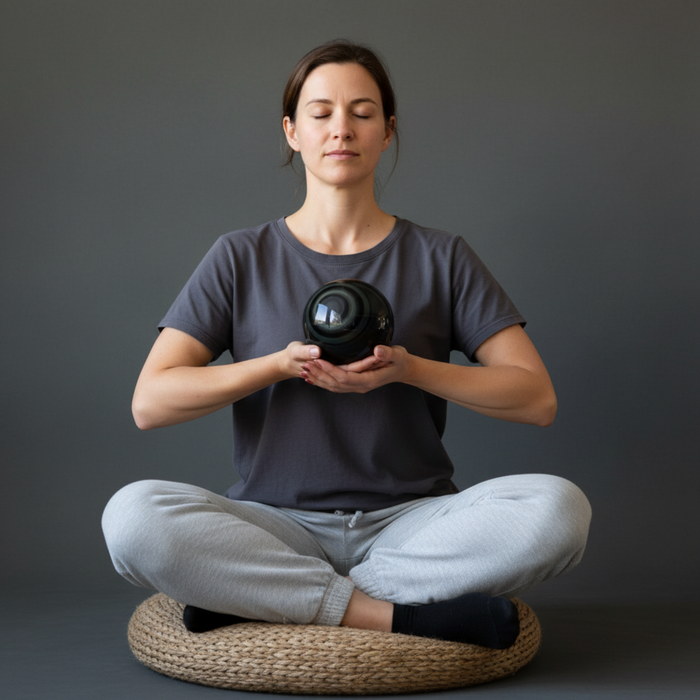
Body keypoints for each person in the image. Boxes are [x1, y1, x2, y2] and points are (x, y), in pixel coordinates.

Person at [102, 40, 591, 650]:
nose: (342, 129)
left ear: (387, 132)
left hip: (412, 524)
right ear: (292, 131)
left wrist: (410, 369)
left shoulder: (441, 257)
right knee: (132, 516)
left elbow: (535, 398)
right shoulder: (239, 256)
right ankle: (392, 613)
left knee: (560, 509)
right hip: (275, 525)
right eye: (321, 112)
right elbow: (151, 401)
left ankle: (271, 598)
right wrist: (276, 365)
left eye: (362, 113)